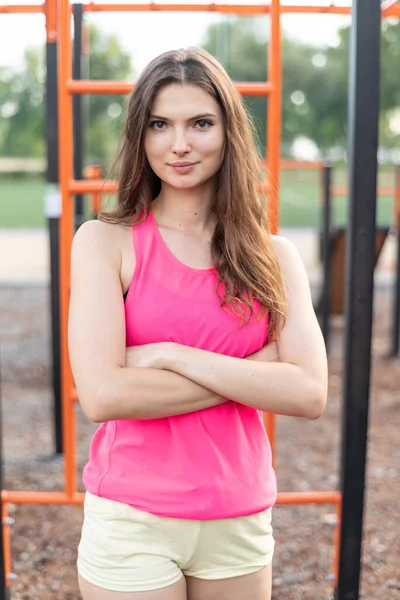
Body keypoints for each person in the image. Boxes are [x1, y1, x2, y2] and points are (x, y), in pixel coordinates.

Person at [69, 47, 328, 600]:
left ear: (228, 132)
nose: (179, 144)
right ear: (141, 135)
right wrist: (254, 374)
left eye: (200, 123)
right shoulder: (104, 242)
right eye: (160, 124)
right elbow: (104, 396)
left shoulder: (273, 257)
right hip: (133, 516)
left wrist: (169, 355)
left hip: (239, 513)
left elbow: (308, 392)